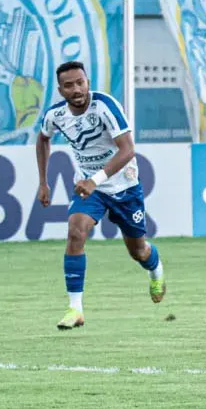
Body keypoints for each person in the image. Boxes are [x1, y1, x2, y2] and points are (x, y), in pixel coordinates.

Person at [34, 61, 164, 330]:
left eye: (80, 82)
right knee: (75, 232)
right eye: (69, 85)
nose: (76, 89)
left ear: (88, 83)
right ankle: (75, 309)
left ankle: (156, 270)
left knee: (138, 251)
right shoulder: (55, 115)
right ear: (61, 90)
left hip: (124, 188)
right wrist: (43, 182)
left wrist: (95, 179)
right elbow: (43, 139)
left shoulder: (105, 105)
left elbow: (127, 149)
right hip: (89, 190)